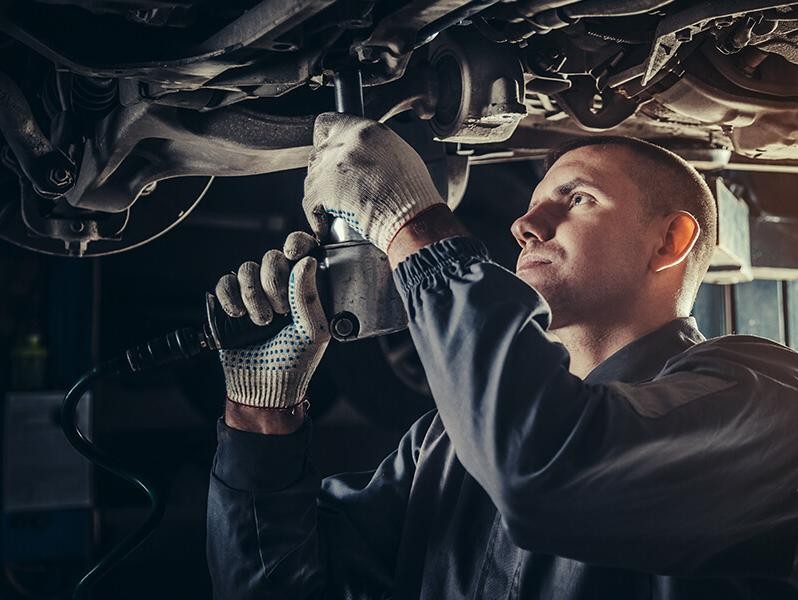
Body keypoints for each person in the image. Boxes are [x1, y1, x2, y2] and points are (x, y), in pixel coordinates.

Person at [206, 113, 798, 599]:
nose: (526, 224)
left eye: (579, 198)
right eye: (535, 203)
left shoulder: (761, 403)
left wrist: (410, 223)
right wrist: (262, 412)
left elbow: (545, 469)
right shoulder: (444, 444)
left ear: (669, 241)